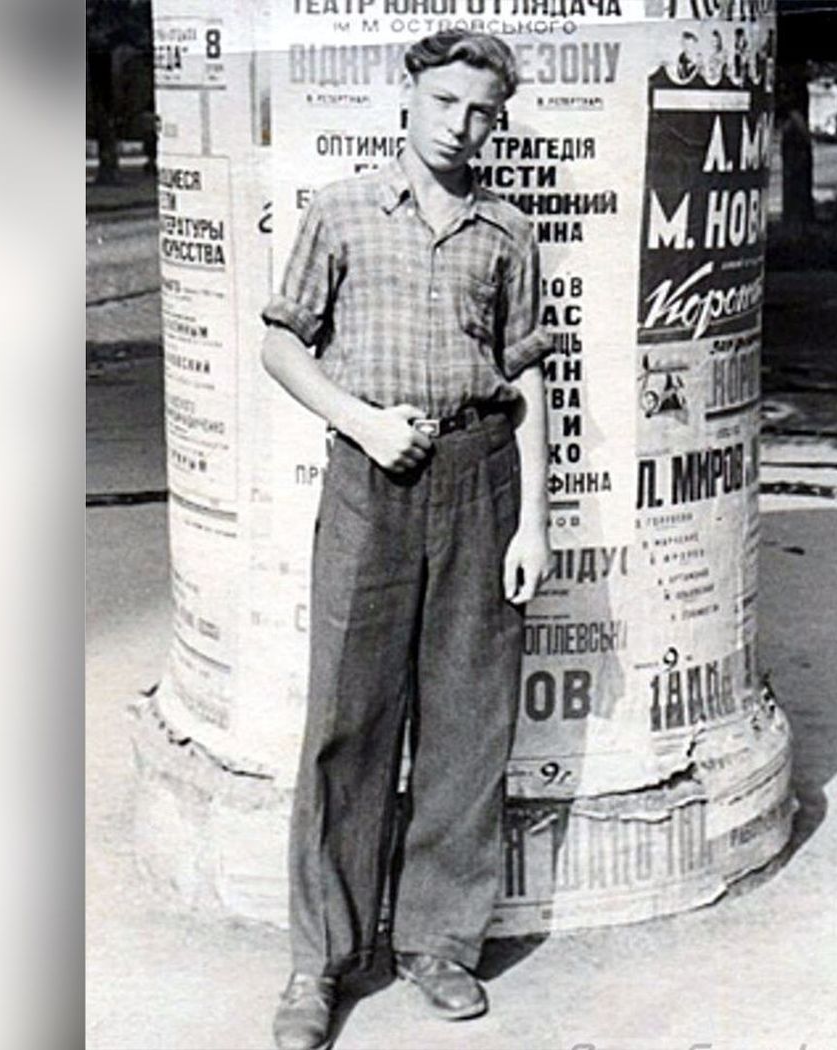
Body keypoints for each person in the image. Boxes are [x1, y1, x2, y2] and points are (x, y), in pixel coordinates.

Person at [259, 29, 552, 1050]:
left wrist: (534, 519)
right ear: (410, 97)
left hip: (480, 479)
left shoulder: (506, 231)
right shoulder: (341, 211)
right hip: (370, 479)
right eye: (443, 102)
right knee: (348, 720)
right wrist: (361, 420)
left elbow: (527, 375)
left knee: (468, 720)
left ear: (495, 121)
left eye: (480, 111)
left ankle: (437, 943)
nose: (460, 126)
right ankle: (321, 961)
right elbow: (280, 343)